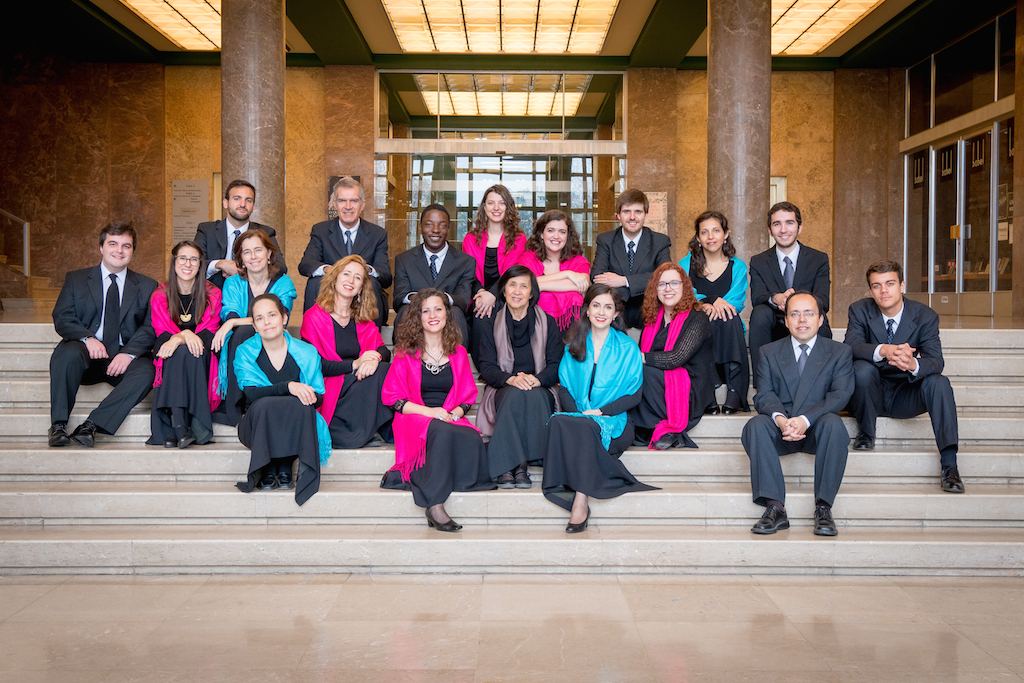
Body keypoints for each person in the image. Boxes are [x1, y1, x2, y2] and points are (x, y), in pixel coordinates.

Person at [542, 284, 658, 533]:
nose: (601, 312)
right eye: (596, 305)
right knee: (559, 422)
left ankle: (580, 501)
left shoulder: (628, 348)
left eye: (608, 307)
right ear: (587, 309)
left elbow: (634, 395)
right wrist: (581, 414)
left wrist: (600, 413)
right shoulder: (573, 346)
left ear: (616, 313)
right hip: (581, 417)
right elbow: (565, 389)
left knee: (584, 429)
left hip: (614, 422)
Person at [844, 259, 964, 493]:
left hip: (905, 394)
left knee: (939, 383)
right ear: (870, 290)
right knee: (861, 368)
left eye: (889, 283)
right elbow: (851, 346)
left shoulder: (925, 316)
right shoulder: (859, 309)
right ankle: (866, 432)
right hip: (870, 392)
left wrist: (912, 364)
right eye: (876, 285)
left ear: (902, 285)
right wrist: (883, 350)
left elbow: (936, 362)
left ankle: (949, 464)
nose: (883, 290)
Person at [380, 289, 494, 532]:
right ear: (418, 317)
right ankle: (435, 504)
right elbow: (393, 398)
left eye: (438, 309)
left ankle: (433, 478)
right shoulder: (404, 353)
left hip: (447, 416)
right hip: (414, 416)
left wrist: (457, 414)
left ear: (447, 315)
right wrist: (429, 412)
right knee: (440, 431)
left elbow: (467, 397)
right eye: (426, 310)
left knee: (471, 436)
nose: (433, 315)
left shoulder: (458, 352)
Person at [741, 291, 854, 537]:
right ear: (785, 319)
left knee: (834, 424)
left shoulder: (839, 352)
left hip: (816, 429)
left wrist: (804, 420)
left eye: (809, 313)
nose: (802, 319)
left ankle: (823, 508)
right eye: (795, 314)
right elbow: (764, 395)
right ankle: (775, 507)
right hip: (783, 429)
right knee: (756, 425)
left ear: (821, 319)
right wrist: (781, 420)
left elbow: (840, 394)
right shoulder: (769, 352)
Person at [48, 222, 157, 448]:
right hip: (85, 357)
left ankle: (91, 425)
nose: (119, 250)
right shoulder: (76, 279)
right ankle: (58, 425)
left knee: (147, 371)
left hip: (122, 361)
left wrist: (129, 353)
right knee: (66, 354)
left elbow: (150, 327)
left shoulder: (147, 285)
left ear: (133, 251)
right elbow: (63, 317)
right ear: (101, 247)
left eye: (126, 246)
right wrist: (88, 338)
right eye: (113, 244)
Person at [235, 294, 331, 505]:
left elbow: (318, 399)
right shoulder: (245, 352)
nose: (267, 322)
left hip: (294, 426)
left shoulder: (307, 352)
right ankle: (267, 466)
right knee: (264, 404)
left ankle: (286, 465)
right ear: (254, 324)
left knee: (303, 404)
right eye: (259, 318)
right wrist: (288, 387)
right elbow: (251, 393)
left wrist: (304, 394)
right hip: (256, 425)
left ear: (284, 318)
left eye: (272, 315)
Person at [476, 265, 564, 488]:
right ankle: (517, 465)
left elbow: (556, 365)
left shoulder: (548, 323)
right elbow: (486, 367)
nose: (517, 291)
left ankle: (515, 465)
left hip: (539, 385)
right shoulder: (489, 322)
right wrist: (511, 379)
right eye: (512, 285)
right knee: (514, 395)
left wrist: (537, 379)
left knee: (532, 395)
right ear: (503, 291)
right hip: (503, 385)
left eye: (523, 286)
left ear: (532, 292)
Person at [300, 255, 394, 449]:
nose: (351, 281)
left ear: (361, 288)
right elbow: (315, 365)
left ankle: (362, 428)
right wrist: (355, 364)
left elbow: (384, 350)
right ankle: (356, 430)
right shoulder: (314, 317)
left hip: (359, 383)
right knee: (378, 375)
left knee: (384, 369)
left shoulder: (363, 319)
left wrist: (373, 360)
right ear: (334, 278)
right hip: (330, 386)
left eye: (358, 278)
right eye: (346, 274)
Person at [211, 229, 296, 426]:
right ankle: (241, 402)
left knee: (242, 330)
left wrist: (233, 323)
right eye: (246, 252)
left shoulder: (283, 283)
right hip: (241, 343)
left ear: (269, 254)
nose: (253, 256)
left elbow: (278, 318)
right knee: (243, 332)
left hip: (274, 342)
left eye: (258, 250)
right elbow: (229, 313)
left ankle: (238, 404)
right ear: (240, 258)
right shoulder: (232, 283)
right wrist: (233, 321)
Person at [630, 263, 716, 450]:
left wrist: (638, 358)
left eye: (674, 283)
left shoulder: (697, 318)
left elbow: (676, 358)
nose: (668, 289)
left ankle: (655, 428)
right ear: (656, 289)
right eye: (662, 284)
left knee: (642, 370)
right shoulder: (652, 319)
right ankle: (650, 427)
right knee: (636, 371)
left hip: (691, 385)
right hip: (661, 382)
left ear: (684, 287)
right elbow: (641, 353)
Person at [147, 241, 222, 449]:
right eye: (182, 258)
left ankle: (176, 427)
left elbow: (210, 328)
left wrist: (184, 335)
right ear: (174, 262)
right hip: (168, 341)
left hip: (202, 344)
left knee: (189, 352)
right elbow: (162, 329)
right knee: (175, 351)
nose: (187, 264)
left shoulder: (212, 293)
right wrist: (182, 337)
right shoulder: (159, 294)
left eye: (193, 259)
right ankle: (182, 426)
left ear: (200, 265)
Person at [748, 201, 832, 387]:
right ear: (770, 230)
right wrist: (775, 298)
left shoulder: (818, 259)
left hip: (806, 321)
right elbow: (758, 297)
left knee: (821, 319)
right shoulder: (759, 261)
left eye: (789, 223)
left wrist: (796, 304)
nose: (783, 229)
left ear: (799, 227)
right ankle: (762, 384)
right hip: (774, 324)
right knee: (759, 314)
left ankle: (820, 384)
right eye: (777, 224)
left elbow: (823, 300)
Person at [679, 210, 750, 413]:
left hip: (727, 329)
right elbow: (683, 292)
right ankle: (707, 391)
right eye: (704, 232)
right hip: (697, 323)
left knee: (729, 317)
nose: (711, 237)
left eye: (716, 231)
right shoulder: (686, 264)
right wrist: (706, 302)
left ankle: (735, 391)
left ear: (725, 234)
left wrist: (717, 305)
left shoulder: (737, 266)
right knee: (702, 318)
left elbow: (736, 299)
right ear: (698, 238)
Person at [298, 176, 390, 325]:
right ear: (334, 204)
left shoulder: (377, 234)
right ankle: (311, 338)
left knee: (373, 282)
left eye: (353, 200)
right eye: (342, 200)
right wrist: (332, 270)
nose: (348, 206)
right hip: (331, 292)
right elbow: (306, 265)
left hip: (362, 294)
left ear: (362, 204)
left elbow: (385, 275)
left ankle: (371, 341)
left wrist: (362, 272)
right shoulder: (320, 230)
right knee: (315, 282)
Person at [392, 204, 475, 346]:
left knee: (457, 312)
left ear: (448, 229)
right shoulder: (404, 260)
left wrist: (440, 300)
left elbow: (463, 300)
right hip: (416, 315)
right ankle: (405, 363)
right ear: (420, 228)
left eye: (442, 225)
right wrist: (421, 300)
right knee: (405, 310)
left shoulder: (465, 262)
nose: (435, 230)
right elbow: (399, 298)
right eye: (429, 225)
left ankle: (457, 365)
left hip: (449, 319)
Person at [591, 189, 672, 330]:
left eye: (638, 212)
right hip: (615, 310)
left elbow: (665, 276)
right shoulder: (605, 240)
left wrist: (623, 281)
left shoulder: (660, 242)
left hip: (650, 310)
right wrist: (644, 282)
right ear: (618, 215)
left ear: (646, 214)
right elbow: (597, 276)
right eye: (627, 211)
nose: (632, 217)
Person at [194, 180, 285, 289]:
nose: (242, 204)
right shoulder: (206, 230)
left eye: (248, 200)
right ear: (225, 203)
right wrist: (220, 264)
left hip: (250, 297)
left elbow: (280, 267)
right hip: (211, 297)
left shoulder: (266, 232)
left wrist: (243, 270)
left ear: (253, 206)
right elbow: (194, 263)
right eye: (237, 198)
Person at [461, 184, 527, 323]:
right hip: (477, 296)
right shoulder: (470, 239)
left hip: (507, 296)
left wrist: (492, 294)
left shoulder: (518, 239)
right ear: (484, 208)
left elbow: (513, 272)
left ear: (508, 208)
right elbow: (468, 274)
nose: (496, 208)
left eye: (501, 203)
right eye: (491, 203)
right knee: (479, 316)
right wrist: (482, 293)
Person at [517, 209, 590, 331]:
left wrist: (537, 285)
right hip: (532, 327)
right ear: (541, 234)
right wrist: (567, 274)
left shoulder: (578, 261)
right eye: (550, 230)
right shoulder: (528, 258)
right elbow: (522, 283)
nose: (556, 236)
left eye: (562, 232)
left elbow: (582, 285)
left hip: (569, 330)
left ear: (568, 236)